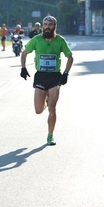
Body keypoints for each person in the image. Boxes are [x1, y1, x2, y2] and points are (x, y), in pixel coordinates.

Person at [20, 15, 73, 146]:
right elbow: (24, 53)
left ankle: (50, 135)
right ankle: (46, 100)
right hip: (41, 76)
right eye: (45, 24)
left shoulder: (60, 40)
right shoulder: (36, 40)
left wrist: (65, 73)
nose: (47, 27)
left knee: (52, 109)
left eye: (50, 24)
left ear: (54, 26)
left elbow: (70, 57)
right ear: (42, 26)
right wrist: (23, 68)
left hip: (55, 77)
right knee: (38, 110)